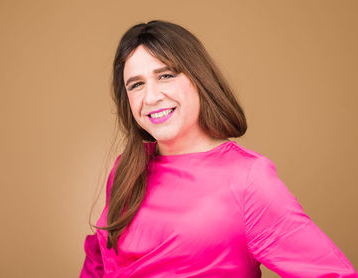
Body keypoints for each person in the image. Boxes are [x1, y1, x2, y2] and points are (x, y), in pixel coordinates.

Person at [80, 20, 357, 277]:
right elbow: (99, 261)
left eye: (165, 75)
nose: (151, 97)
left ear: (198, 79)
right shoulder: (126, 169)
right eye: (136, 84)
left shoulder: (248, 179)